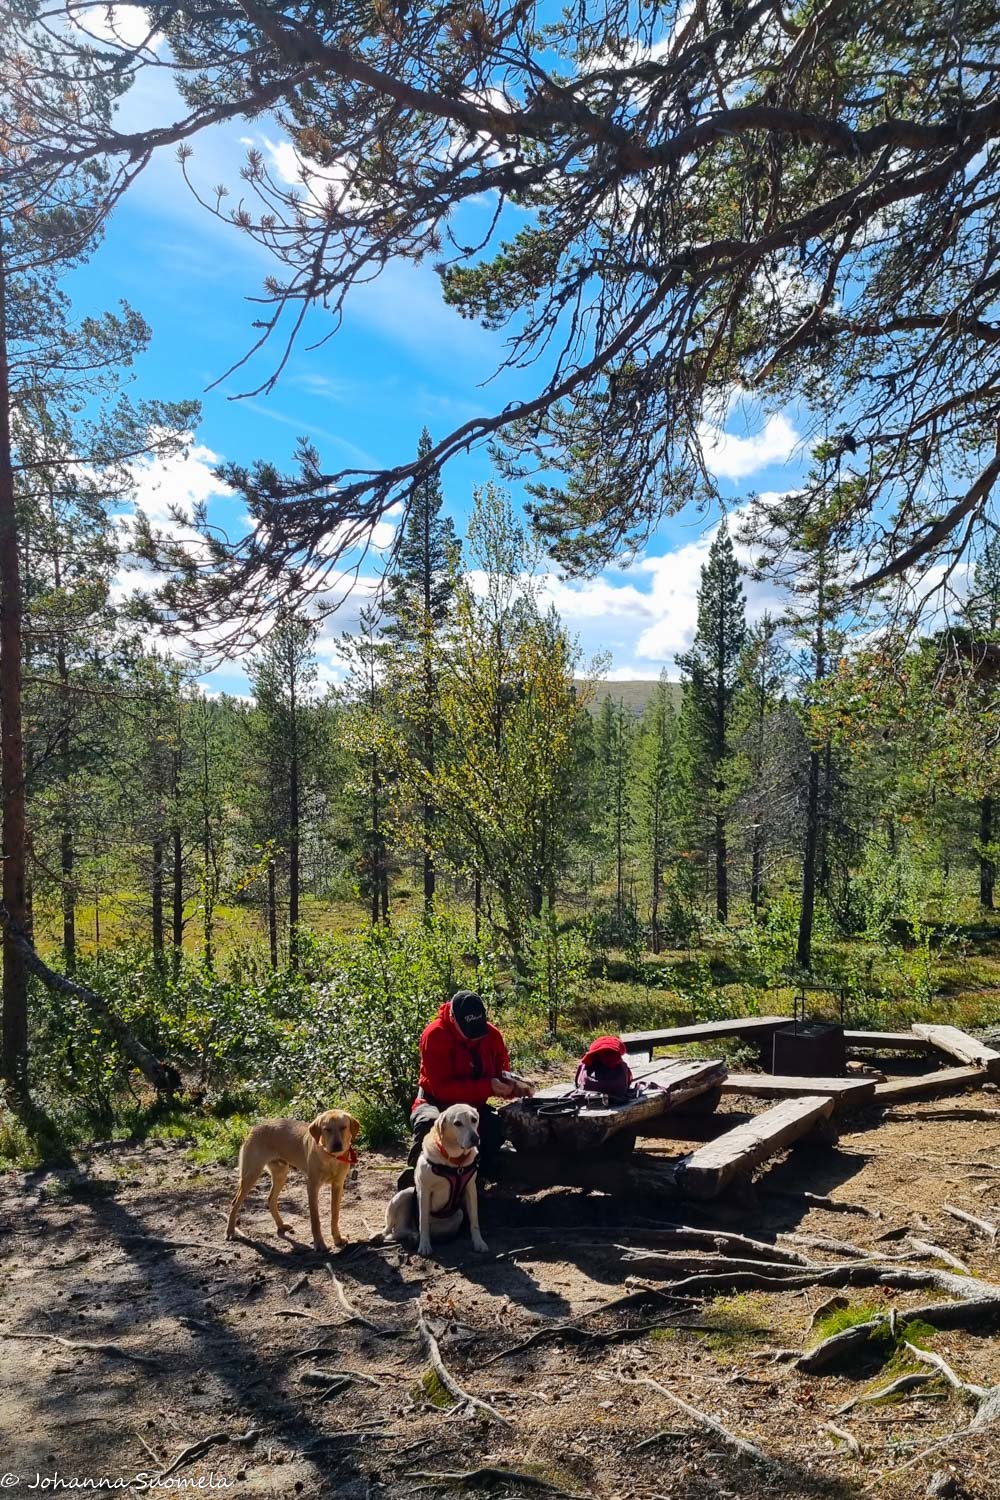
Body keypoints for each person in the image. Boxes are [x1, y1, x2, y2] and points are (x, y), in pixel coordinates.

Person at [398, 990, 533, 1188]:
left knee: (495, 1128)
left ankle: (476, 1180)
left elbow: (501, 1074)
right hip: (434, 1102)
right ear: (453, 1019)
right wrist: (487, 1087)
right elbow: (440, 1088)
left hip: (472, 1106)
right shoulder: (435, 1035)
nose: (475, 1038)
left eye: (478, 1029)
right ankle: (417, 1184)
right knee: (431, 1126)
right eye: (469, 1031)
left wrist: (514, 1088)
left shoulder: (491, 1035)